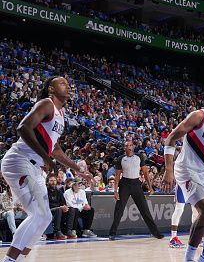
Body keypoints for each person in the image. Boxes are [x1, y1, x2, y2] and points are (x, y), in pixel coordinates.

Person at [0, 76, 92, 262]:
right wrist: (44, 156)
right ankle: (10, 260)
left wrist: (77, 169)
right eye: (62, 83)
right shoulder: (46, 104)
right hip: (20, 160)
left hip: (33, 165)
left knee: (44, 217)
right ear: (51, 88)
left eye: (68, 83)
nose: (67, 86)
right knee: (39, 214)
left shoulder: (60, 114)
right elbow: (23, 127)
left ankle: (18, 259)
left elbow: (55, 149)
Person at [162, 84, 204, 262]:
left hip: (203, 173)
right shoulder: (199, 116)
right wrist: (168, 170)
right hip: (185, 169)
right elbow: (171, 138)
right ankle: (189, 258)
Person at [108, 141, 163, 240]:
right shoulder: (121, 159)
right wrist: (115, 191)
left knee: (144, 209)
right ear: (124, 148)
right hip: (124, 184)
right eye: (126, 145)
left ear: (132, 147)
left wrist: (150, 187)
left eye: (129, 145)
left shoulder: (139, 157)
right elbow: (117, 177)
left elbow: (145, 173)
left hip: (136, 184)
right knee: (119, 209)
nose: (128, 147)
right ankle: (112, 233)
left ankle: (156, 233)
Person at [169, 177, 200, 248]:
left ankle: (194, 236)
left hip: (193, 184)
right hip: (182, 183)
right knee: (179, 209)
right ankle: (173, 238)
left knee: (195, 210)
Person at [46, 174, 68, 240]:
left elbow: (64, 203)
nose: (53, 182)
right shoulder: (45, 191)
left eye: (54, 180)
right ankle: (57, 231)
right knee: (58, 209)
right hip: (48, 210)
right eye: (51, 180)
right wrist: (60, 207)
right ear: (47, 182)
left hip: (58, 209)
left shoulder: (59, 191)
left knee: (72, 209)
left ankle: (69, 231)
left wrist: (64, 207)